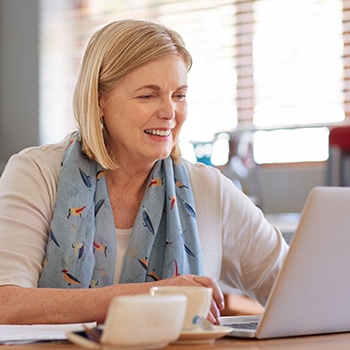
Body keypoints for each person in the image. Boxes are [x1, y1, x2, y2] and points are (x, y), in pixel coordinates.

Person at [0, 19, 288, 325]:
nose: (169, 112)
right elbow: (7, 303)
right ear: (100, 100)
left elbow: (295, 286)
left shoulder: (210, 189)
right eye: (147, 95)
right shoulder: (36, 173)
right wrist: (151, 296)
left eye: (179, 95)